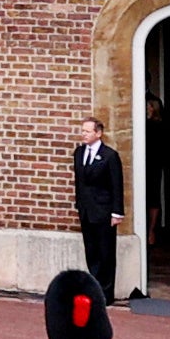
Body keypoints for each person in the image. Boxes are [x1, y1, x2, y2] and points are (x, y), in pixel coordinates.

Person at [67, 115, 124, 312]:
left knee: (106, 252)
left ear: (98, 133)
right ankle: (94, 288)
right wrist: (79, 205)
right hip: (86, 210)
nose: (83, 134)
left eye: (87, 131)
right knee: (91, 251)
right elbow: (79, 182)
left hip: (104, 210)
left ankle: (106, 293)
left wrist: (117, 212)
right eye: (82, 131)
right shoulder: (79, 153)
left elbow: (117, 185)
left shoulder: (109, 156)